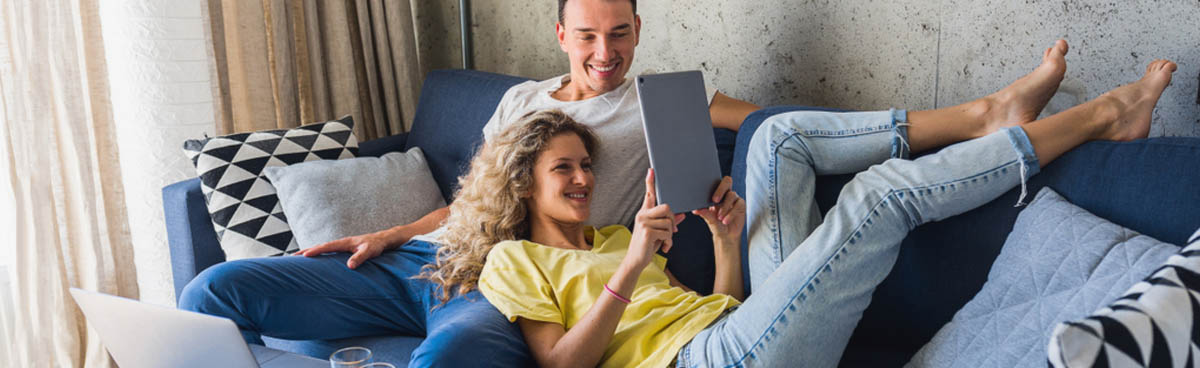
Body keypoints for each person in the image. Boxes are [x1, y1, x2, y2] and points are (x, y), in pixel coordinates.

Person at [456, 55, 1178, 366]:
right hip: (708, 365)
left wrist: (728, 241)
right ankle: (1100, 117)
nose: (583, 178)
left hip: (739, 332)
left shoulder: (612, 232)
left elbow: (719, 308)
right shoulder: (517, 261)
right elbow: (561, 365)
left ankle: (992, 115)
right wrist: (635, 265)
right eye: (565, 169)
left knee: (777, 136)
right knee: (880, 197)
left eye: (587, 164)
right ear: (524, 184)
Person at [179, 0, 754, 365]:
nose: (605, 53)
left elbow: (762, 119)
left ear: (637, 30)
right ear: (561, 34)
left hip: (495, 282)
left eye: (619, 34)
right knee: (212, 291)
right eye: (586, 36)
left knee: (453, 354)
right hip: (425, 258)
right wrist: (390, 235)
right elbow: (474, 199)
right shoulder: (519, 99)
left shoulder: (659, 99)